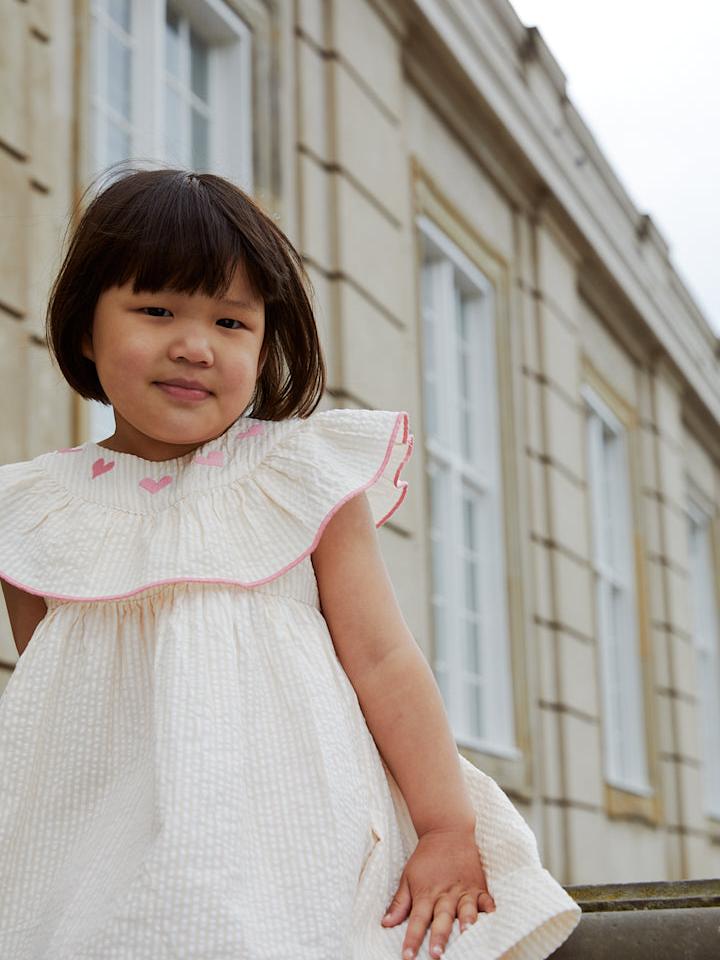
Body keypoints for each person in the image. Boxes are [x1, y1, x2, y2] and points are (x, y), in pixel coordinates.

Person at [0, 167, 580, 960]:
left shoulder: (298, 477)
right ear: (84, 329)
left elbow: (382, 658)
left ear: (268, 339)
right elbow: (53, 701)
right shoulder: (36, 510)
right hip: (99, 851)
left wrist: (447, 824)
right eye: (156, 309)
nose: (194, 346)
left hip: (292, 827)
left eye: (232, 323)